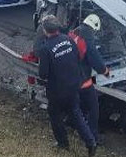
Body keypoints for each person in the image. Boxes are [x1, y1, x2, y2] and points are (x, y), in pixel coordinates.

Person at [37, 15, 97, 156]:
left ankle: (63, 144)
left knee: (55, 115)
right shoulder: (68, 40)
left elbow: (43, 74)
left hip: (57, 90)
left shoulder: (45, 48)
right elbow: (78, 58)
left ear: (45, 30)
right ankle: (91, 142)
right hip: (74, 85)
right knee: (76, 113)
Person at [68, 14, 109, 143]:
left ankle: (72, 123)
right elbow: (95, 60)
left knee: (76, 104)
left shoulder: (73, 33)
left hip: (68, 78)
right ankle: (93, 137)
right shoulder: (88, 39)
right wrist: (105, 71)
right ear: (95, 28)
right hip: (82, 80)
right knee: (93, 107)